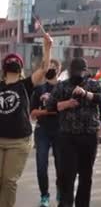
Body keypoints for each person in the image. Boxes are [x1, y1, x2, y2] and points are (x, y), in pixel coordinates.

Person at [46, 57, 101, 207]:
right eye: (75, 72)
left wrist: (86, 94)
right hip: (68, 137)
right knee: (67, 175)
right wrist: (66, 103)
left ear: (86, 71)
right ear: (69, 71)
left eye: (80, 72)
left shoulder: (94, 84)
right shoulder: (62, 86)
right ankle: (66, 203)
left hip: (89, 136)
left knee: (86, 176)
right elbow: (50, 106)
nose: (78, 75)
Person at [0, 33, 52, 207]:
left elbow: (45, 68)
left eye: (16, 60)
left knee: (9, 181)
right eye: (10, 60)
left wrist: (47, 47)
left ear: (20, 67)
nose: (13, 62)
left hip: (19, 142)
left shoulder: (26, 84)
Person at [30, 58, 62, 207]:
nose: (52, 69)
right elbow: (33, 112)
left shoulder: (63, 88)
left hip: (60, 130)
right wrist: (46, 112)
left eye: (54, 67)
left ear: (59, 70)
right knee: (41, 166)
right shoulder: (39, 89)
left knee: (61, 165)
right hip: (42, 131)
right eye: (49, 66)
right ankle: (44, 195)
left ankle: (60, 190)